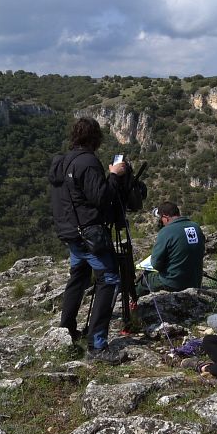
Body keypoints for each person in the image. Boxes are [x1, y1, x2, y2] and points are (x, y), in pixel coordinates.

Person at [48, 117, 127, 364]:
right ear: (95, 138)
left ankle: (67, 330)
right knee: (110, 278)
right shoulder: (88, 162)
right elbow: (102, 198)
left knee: (79, 276)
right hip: (89, 235)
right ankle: (97, 345)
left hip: (70, 233)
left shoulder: (60, 162)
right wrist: (113, 175)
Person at [137, 201, 205, 296]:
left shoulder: (166, 232)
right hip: (195, 281)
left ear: (166, 217)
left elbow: (156, 264)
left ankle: (138, 307)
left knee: (144, 280)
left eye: (161, 218)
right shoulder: (196, 227)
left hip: (174, 283)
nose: (161, 221)